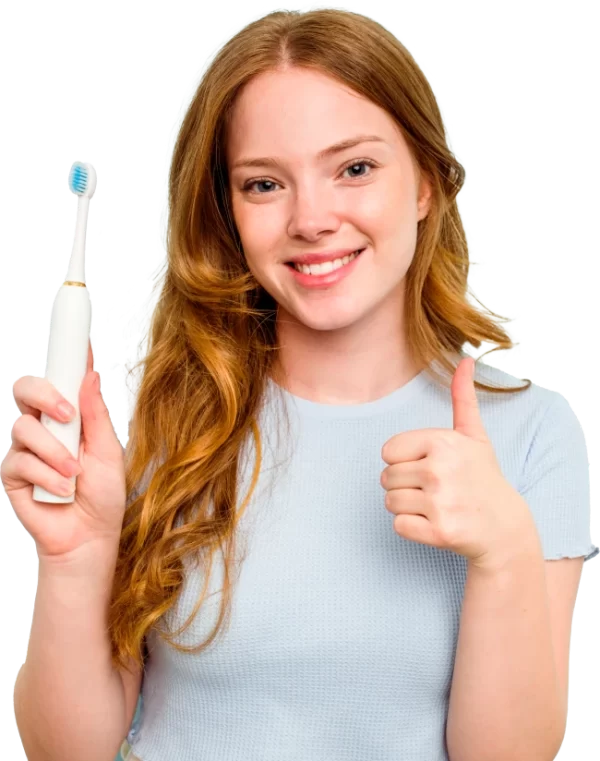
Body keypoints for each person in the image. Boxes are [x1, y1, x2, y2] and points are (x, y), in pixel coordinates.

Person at [7, 4, 596, 761]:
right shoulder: (152, 418)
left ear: (424, 181)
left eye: (354, 168)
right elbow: (67, 752)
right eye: (263, 185)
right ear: (227, 211)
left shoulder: (533, 432)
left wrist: (505, 549)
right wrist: (74, 559)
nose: (311, 218)